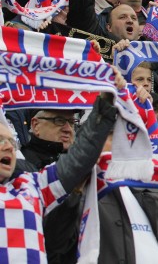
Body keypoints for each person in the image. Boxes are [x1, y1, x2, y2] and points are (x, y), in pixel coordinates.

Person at [0, 72, 124, 262]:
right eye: (0, 141)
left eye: (11, 141)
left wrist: (106, 101)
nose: (9, 146)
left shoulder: (32, 186)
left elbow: (80, 157)